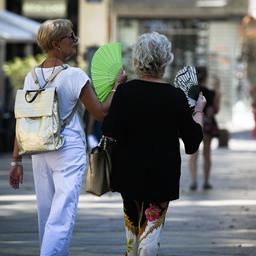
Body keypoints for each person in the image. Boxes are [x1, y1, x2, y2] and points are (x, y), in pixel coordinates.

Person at [8, 19, 126, 256]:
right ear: (56, 44)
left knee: (47, 212)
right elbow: (101, 113)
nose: (75, 41)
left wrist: (16, 161)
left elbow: (24, 121)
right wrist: (116, 86)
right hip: (68, 151)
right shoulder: (74, 76)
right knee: (62, 213)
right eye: (70, 37)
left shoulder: (32, 76)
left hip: (39, 150)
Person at [102, 32, 206, 256]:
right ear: (165, 60)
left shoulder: (125, 92)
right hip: (161, 174)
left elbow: (108, 130)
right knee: (151, 230)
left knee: (132, 231)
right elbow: (192, 143)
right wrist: (198, 111)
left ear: (137, 60)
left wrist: (116, 88)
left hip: (127, 172)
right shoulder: (176, 96)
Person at [189, 67, 221, 191]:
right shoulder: (211, 92)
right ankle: (206, 181)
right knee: (207, 154)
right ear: (206, 77)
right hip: (207, 125)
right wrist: (218, 91)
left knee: (194, 154)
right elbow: (216, 110)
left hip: (194, 125)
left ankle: (193, 181)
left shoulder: (191, 92)